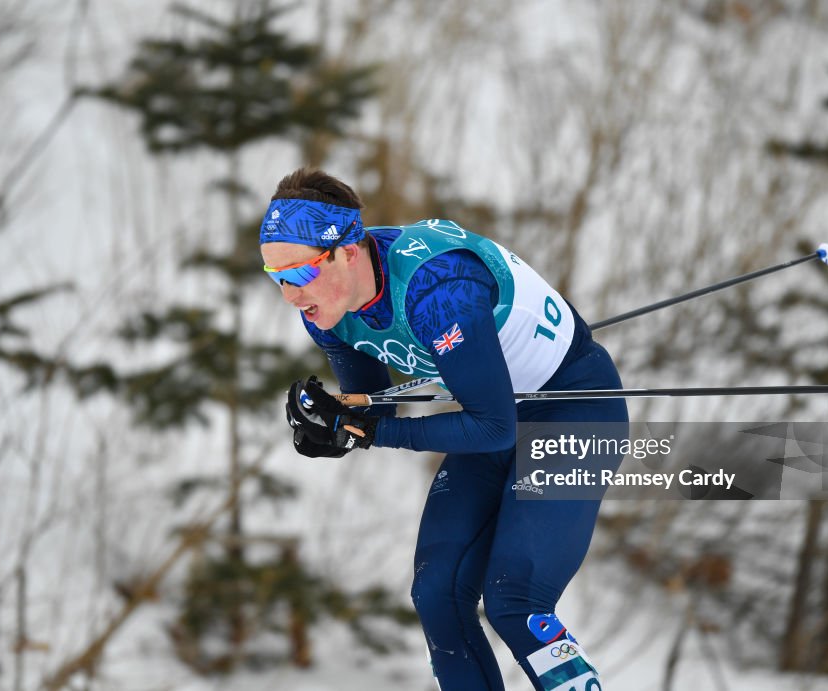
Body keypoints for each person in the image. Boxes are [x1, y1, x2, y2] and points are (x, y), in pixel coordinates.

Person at [260, 167, 627, 691]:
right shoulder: (329, 308)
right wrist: (331, 426)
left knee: (514, 601)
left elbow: (492, 428)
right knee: (437, 594)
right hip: (495, 415)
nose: (290, 296)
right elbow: (374, 414)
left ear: (346, 251)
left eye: (297, 275)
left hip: (574, 410)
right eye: (275, 278)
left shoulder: (437, 288)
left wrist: (366, 433)